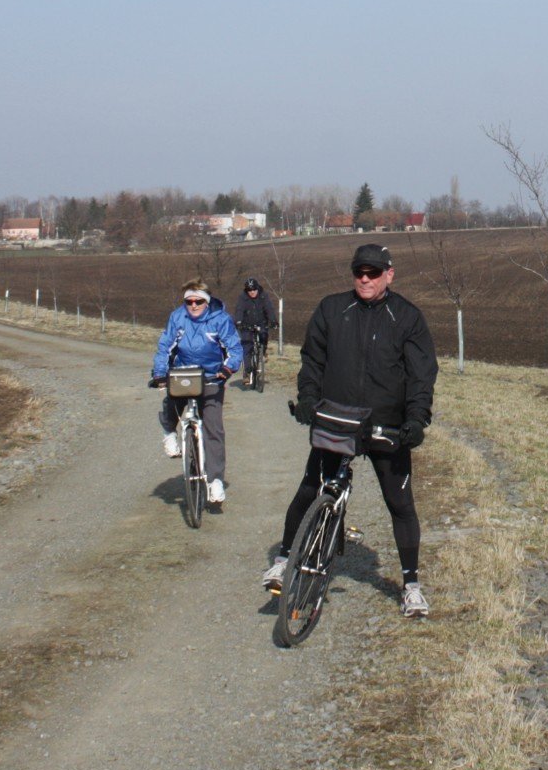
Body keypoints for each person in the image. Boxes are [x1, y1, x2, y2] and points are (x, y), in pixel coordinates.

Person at [263, 243, 437, 618]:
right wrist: (308, 399)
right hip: (338, 420)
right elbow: (312, 360)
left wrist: (416, 420)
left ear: (389, 274)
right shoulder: (332, 309)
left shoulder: (406, 317)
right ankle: (283, 558)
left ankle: (411, 586)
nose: (365, 278)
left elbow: (422, 375)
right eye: (360, 271)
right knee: (311, 489)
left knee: (400, 504)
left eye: (374, 272)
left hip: (387, 426)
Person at [148, 280, 245, 505]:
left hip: (212, 375)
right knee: (172, 400)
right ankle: (169, 433)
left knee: (213, 427)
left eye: (198, 301)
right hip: (184, 372)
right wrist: (160, 373)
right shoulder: (177, 317)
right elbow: (164, 347)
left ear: (206, 301)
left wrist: (227, 369)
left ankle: (215, 481)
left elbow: (234, 348)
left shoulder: (220, 319)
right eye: (189, 301)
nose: (193, 305)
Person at [234, 278, 275, 388]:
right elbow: (239, 310)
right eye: (249, 290)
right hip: (247, 325)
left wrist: (273, 320)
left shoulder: (263, 296)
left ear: (258, 288)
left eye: (254, 289)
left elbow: (269, 308)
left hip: (261, 323)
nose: (252, 292)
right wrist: (238, 321)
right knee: (247, 346)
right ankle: (247, 372)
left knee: (264, 335)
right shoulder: (243, 297)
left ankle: (263, 351)